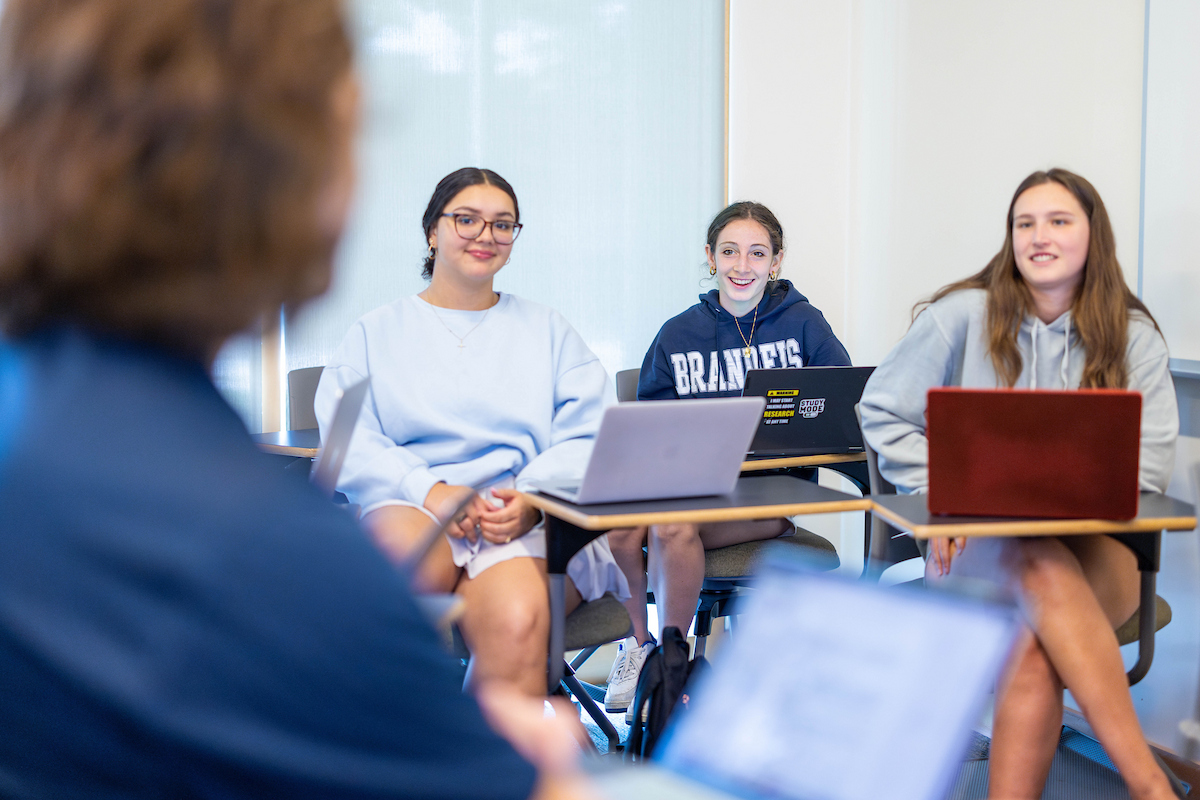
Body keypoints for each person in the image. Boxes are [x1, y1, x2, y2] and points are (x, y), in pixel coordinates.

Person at [0, 1, 588, 797]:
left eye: (502, 224)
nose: (485, 236)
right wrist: (523, 767)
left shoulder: (49, 439)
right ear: (305, 192)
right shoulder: (269, 564)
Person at [859, 169, 1179, 800]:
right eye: (1024, 223)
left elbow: (1148, 465)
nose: (1039, 236)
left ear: (1093, 236)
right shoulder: (961, 317)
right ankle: (1150, 786)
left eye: (1059, 221)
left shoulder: (1132, 336)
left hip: (1096, 551)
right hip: (979, 546)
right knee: (1033, 582)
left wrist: (1062, 506)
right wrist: (941, 499)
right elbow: (881, 410)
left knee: (1036, 604)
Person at [315, 167, 630, 698]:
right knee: (397, 578)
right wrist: (430, 491)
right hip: (413, 502)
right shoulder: (375, 331)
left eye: (502, 225)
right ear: (432, 230)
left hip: (517, 514)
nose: (486, 236)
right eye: (467, 219)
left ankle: (481, 764)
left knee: (515, 621)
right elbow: (348, 439)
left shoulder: (548, 330)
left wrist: (530, 498)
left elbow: (593, 432)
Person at [603, 201, 852, 715]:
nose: (743, 266)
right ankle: (639, 649)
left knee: (668, 528)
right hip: (693, 485)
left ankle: (671, 668)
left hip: (768, 490)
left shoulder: (803, 323)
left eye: (757, 253)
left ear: (776, 261)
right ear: (711, 257)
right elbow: (649, 421)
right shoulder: (678, 333)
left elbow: (839, 402)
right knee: (621, 530)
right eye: (731, 251)